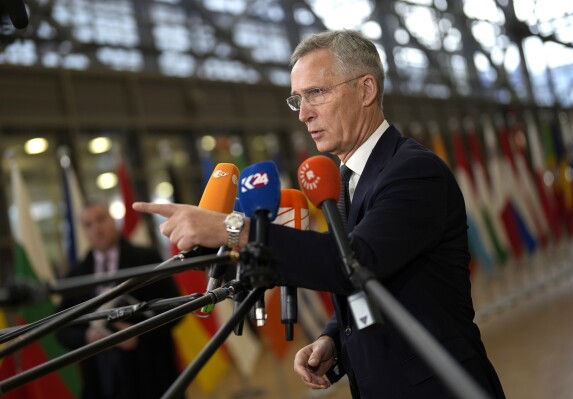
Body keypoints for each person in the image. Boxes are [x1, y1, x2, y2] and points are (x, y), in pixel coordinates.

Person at [134, 30, 505, 398]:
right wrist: (333, 338)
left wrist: (232, 228)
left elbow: (355, 260)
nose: (304, 114)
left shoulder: (413, 172)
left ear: (366, 90)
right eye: (297, 100)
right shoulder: (343, 180)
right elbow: (375, 278)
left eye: (317, 93)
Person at [56, 202, 182, 399]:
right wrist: (87, 337)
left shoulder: (146, 258)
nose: (96, 228)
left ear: (113, 220)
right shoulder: (76, 274)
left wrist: (138, 335)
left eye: (100, 219)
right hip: (101, 380)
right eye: (88, 224)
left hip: (151, 374)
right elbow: (60, 328)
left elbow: (176, 308)